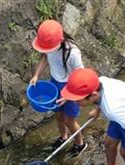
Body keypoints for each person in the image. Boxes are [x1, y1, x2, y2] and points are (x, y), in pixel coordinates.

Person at [29, 19, 87, 157]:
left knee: (69, 120)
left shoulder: (72, 53)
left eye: (48, 48)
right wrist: (36, 75)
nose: (47, 50)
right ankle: (63, 137)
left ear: (60, 40)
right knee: (59, 116)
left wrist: (68, 96)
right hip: (55, 83)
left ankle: (80, 144)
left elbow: (80, 77)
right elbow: (45, 58)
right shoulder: (49, 46)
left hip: (71, 87)